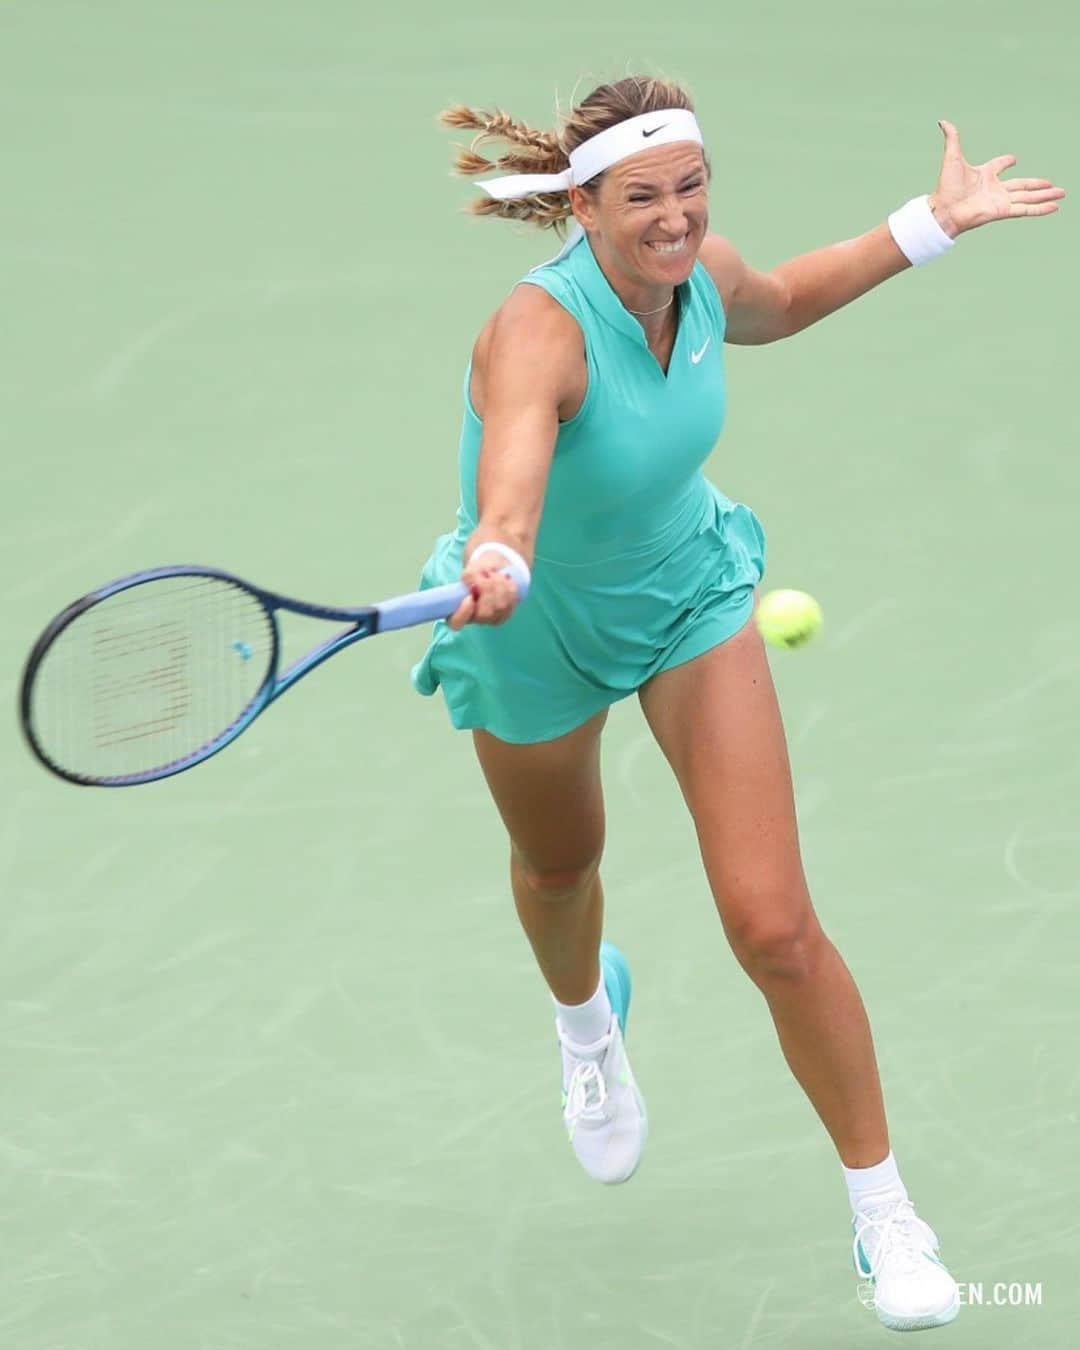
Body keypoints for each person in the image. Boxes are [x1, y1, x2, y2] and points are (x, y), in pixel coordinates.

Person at [411, 75, 1063, 1333]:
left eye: (690, 186)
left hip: (690, 601)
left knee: (774, 925)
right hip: (533, 619)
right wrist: (498, 554)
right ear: (584, 203)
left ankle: (886, 1214)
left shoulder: (704, 273)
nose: (674, 218)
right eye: (642, 198)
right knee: (560, 870)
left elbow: (783, 300)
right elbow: (512, 484)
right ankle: (588, 1025)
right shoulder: (535, 332)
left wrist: (931, 224)